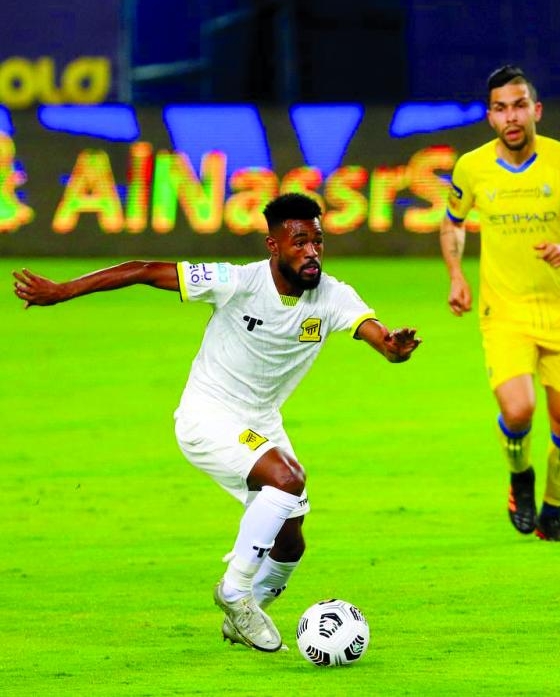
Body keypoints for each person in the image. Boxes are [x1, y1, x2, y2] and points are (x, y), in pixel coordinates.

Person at [11, 192, 421, 652]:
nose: (311, 252)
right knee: (287, 478)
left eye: (317, 242)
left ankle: (246, 614)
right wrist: (63, 290)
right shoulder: (237, 282)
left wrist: (392, 347)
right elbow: (143, 270)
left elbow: (378, 337)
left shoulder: (333, 296)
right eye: (299, 242)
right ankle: (234, 591)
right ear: (274, 246)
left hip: (260, 423)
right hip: (207, 415)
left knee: (290, 544)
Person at [440, 65, 560, 543]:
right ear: (490, 117)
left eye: (519, 106)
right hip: (505, 310)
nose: (511, 117)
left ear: (535, 110)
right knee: (518, 411)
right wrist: (456, 275)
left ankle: (552, 514)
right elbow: (453, 221)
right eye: (500, 108)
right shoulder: (472, 167)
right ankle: (520, 477)